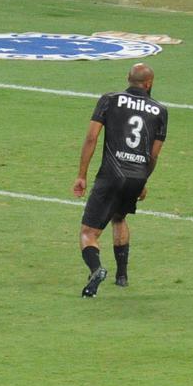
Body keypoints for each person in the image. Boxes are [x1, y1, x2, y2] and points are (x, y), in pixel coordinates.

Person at [72, 63, 167, 297]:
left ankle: (96, 270)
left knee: (88, 233)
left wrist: (81, 175)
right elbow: (153, 155)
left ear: (128, 78)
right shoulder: (160, 110)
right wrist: (142, 181)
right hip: (136, 176)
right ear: (149, 83)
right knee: (119, 216)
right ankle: (122, 276)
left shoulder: (110, 100)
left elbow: (91, 138)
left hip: (111, 175)